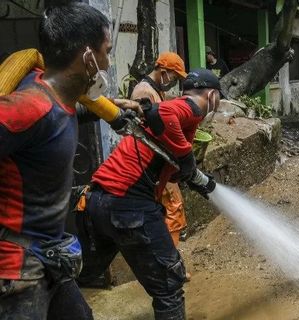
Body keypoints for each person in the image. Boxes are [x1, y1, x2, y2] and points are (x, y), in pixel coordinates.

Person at [0, 3, 139, 319]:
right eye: (106, 50)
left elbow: (55, 122)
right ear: (88, 56)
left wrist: (105, 110)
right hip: (18, 269)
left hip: (49, 254)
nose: (108, 60)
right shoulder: (26, 108)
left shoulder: (55, 98)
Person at [77, 68, 222, 320]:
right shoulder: (193, 106)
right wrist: (186, 158)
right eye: (220, 97)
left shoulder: (173, 107)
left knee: (84, 277)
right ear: (211, 94)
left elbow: (160, 147)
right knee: (169, 287)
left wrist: (182, 171)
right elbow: (165, 114)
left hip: (95, 202)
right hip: (129, 205)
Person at [129, 51, 191, 280]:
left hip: (158, 162)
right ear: (163, 72)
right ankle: (170, 266)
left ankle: (168, 262)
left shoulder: (156, 90)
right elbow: (148, 131)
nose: (174, 81)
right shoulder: (144, 92)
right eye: (174, 76)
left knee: (167, 211)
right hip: (151, 164)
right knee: (173, 208)